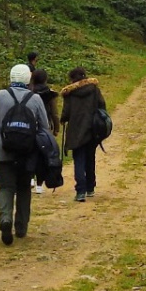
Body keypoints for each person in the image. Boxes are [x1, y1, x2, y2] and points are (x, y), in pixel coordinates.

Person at [0, 63, 52, 245]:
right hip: (28, 151)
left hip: (3, 150)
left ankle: (5, 219)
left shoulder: (1, 95)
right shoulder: (36, 98)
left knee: (6, 187)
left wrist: (3, 130)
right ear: (27, 79)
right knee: (24, 188)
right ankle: (21, 227)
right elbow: (44, 126)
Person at [60, 67, 107, 202]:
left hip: (76, 131)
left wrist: (63, 119)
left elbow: (66, 113)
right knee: (90, 158)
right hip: (92, 129)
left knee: (79, 160)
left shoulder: (69, 93)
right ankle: (90, 187)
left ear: (72, 79)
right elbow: (102, 104)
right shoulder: (94, 89)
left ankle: (80, 191)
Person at [29, 68, 60, 194]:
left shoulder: (29, 92)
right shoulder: (50, 93)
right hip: (44, 128)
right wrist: (56, 128)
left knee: (30, 153)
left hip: (30, 127)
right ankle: (39, 185)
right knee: (43, 156)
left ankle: (30, 178)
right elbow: (54, 113)